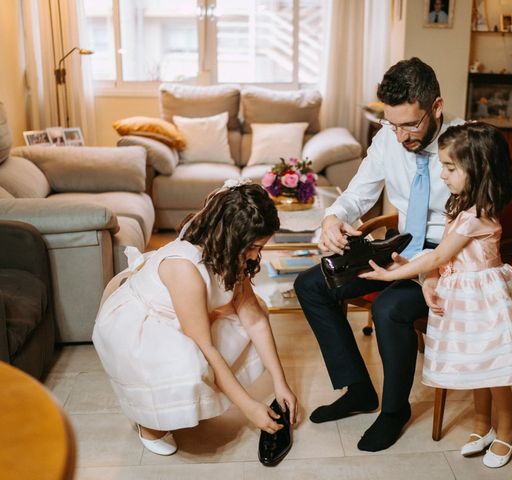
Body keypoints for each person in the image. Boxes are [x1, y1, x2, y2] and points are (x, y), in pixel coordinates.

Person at [294, 57, 463, 452]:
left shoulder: (467, 143)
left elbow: (481, 219)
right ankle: (358, 390)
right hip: (399, 244)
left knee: (389, 308)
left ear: (436, 107)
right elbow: (357, 193)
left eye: (411, 124)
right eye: (393, 124)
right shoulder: (388, 139)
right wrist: (333, 219)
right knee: (312, 285)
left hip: (447, 256)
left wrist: (427, 269)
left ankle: (394, 411)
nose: (401, 136)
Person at [360, 122, 512, 468]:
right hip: (464, 296)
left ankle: (506, 430)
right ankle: (483, 425)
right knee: (478, 365)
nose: (443, 174)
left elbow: (438, 255)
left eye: (450, 167)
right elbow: (440, 259)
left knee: (495, 372)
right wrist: (411, 264)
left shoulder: (478, 215)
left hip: (484, 299)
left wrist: (390, 274)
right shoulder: (462, 207)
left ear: (477, 170)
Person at [93, 180, 297, 456]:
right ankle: (148, 422)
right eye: (253, 247)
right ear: (232, 237)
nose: (255, 256)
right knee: (190, 360)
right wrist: (249, 407)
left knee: (248, 315)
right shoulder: (185, 267)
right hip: (141, 324)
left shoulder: (231, 252)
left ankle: (185, 398)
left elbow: (256, 320)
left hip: (186, 310)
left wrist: (280, 382)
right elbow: (206, 348)